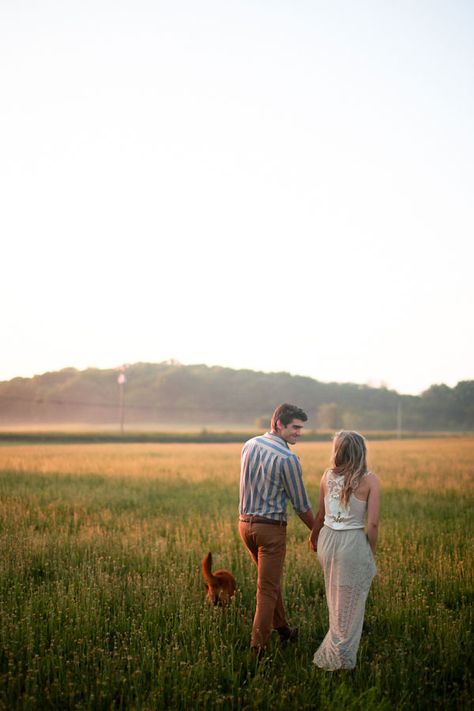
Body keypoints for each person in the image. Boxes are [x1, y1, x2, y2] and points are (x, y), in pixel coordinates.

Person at [239, 403, 315, 657]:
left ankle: (283, 630)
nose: (299, 433)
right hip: (270, 532)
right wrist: (318, 532)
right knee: (267, 589)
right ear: (278, 424)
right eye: (295, 427)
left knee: (269, 583)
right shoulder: (288, 458)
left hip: (245, 526)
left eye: (301, 428)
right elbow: (301, 505)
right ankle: (258, 648)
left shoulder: (249, 445)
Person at [310, 430, 380, 670]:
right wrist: (369, 552)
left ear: (337, 451)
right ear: (361, 451)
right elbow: (372, 523)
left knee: (336, 599)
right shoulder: (370, 480)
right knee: (350, 605)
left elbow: (320, 514)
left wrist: (313, 537)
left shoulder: (327, 476)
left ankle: (338, 651)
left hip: (327, 541)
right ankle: (342, 660)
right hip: (351, 543)